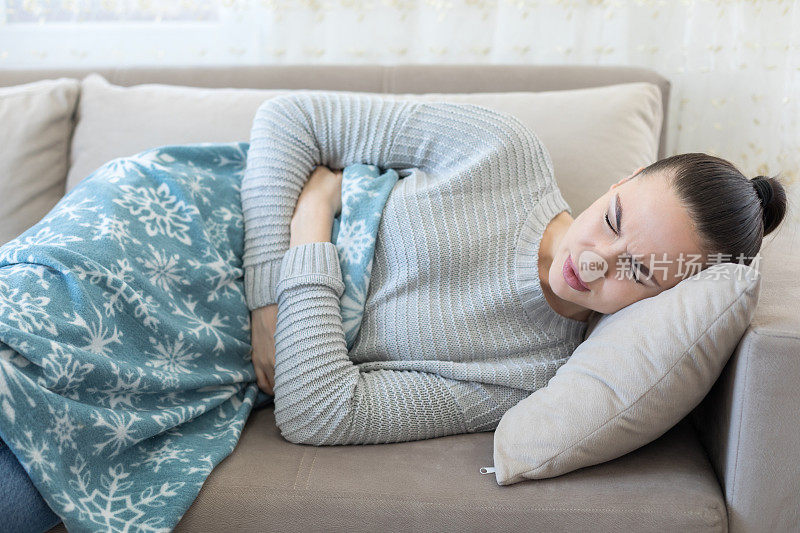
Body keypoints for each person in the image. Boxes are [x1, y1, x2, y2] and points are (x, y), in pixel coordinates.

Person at [242, 92, 788, 447]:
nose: (596, 259)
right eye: (614, 218)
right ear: (625, 178)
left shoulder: (532, 375)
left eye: (639, 272)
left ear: (665, 303)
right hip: (227, 211)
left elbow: (320, 413)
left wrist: (313, 222)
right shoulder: (502, 153)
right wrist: (267, 304)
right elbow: (290, 119)